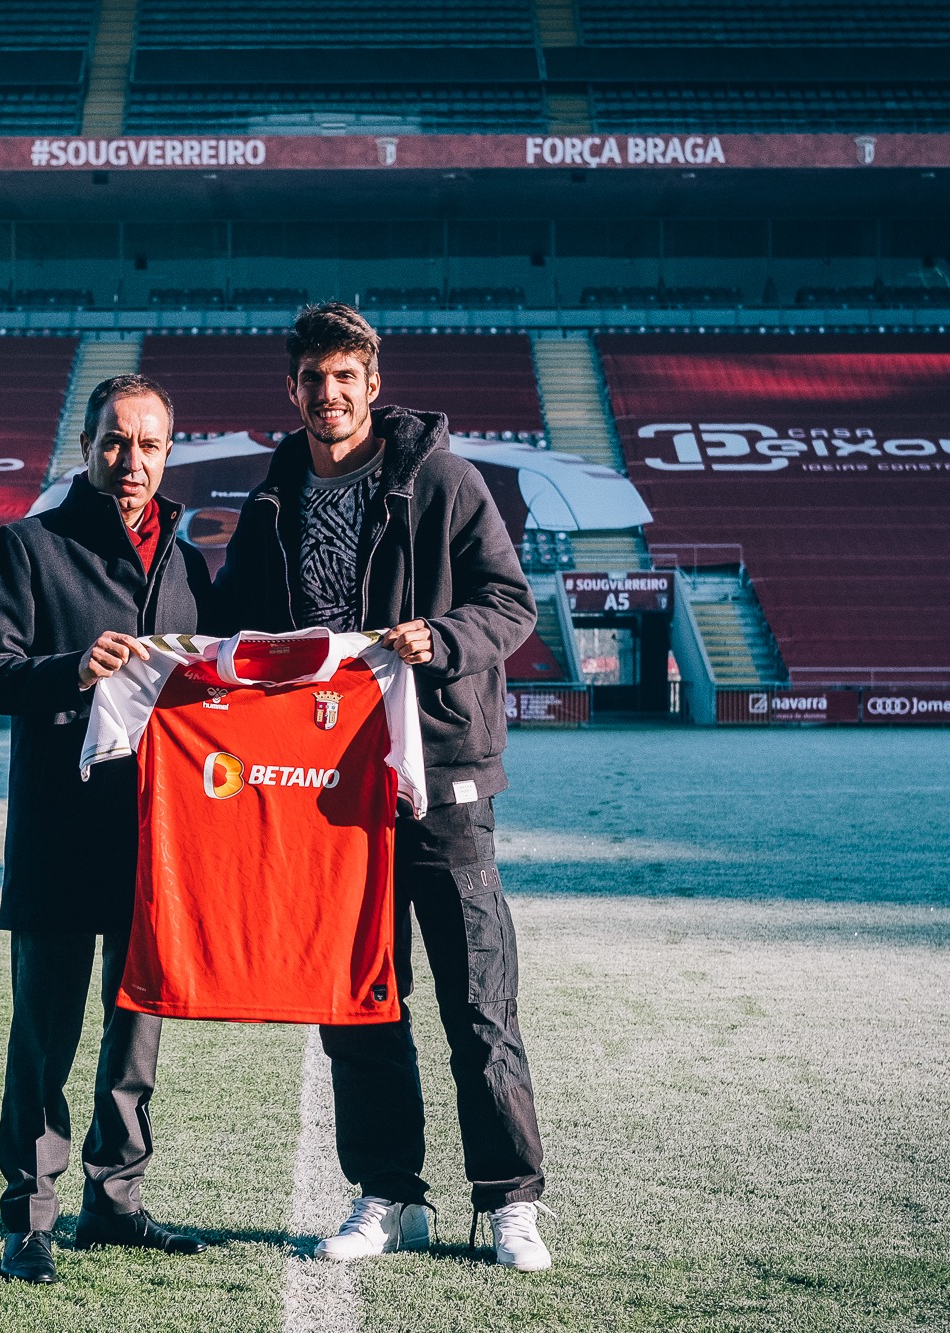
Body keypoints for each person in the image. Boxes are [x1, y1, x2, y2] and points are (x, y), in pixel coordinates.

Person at [213, 304, 552, 1271]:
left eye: (344, 377)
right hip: (327, 788)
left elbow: (510, 603)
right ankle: (389, 1193)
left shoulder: (443, 480)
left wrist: (439, 639)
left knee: (478, 1000)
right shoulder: (273, 496)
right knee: (359, 1000)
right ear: (291, 389)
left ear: (373, 381)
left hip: (440, 778)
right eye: (311, 379)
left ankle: (510, 1200)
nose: (328, 394)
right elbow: (236, 626)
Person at [0, 373, 213, 1284]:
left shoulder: (190, 565)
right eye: (116, 440)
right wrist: (71, 668)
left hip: (158, 841)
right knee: (44, 1039)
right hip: (60, 835)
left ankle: (115, 1201)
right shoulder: (25, 546)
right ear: (86, 447)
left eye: (149, 444)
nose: (131, 459)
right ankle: (30, 1216)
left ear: (169, 453)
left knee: (136, 1031)